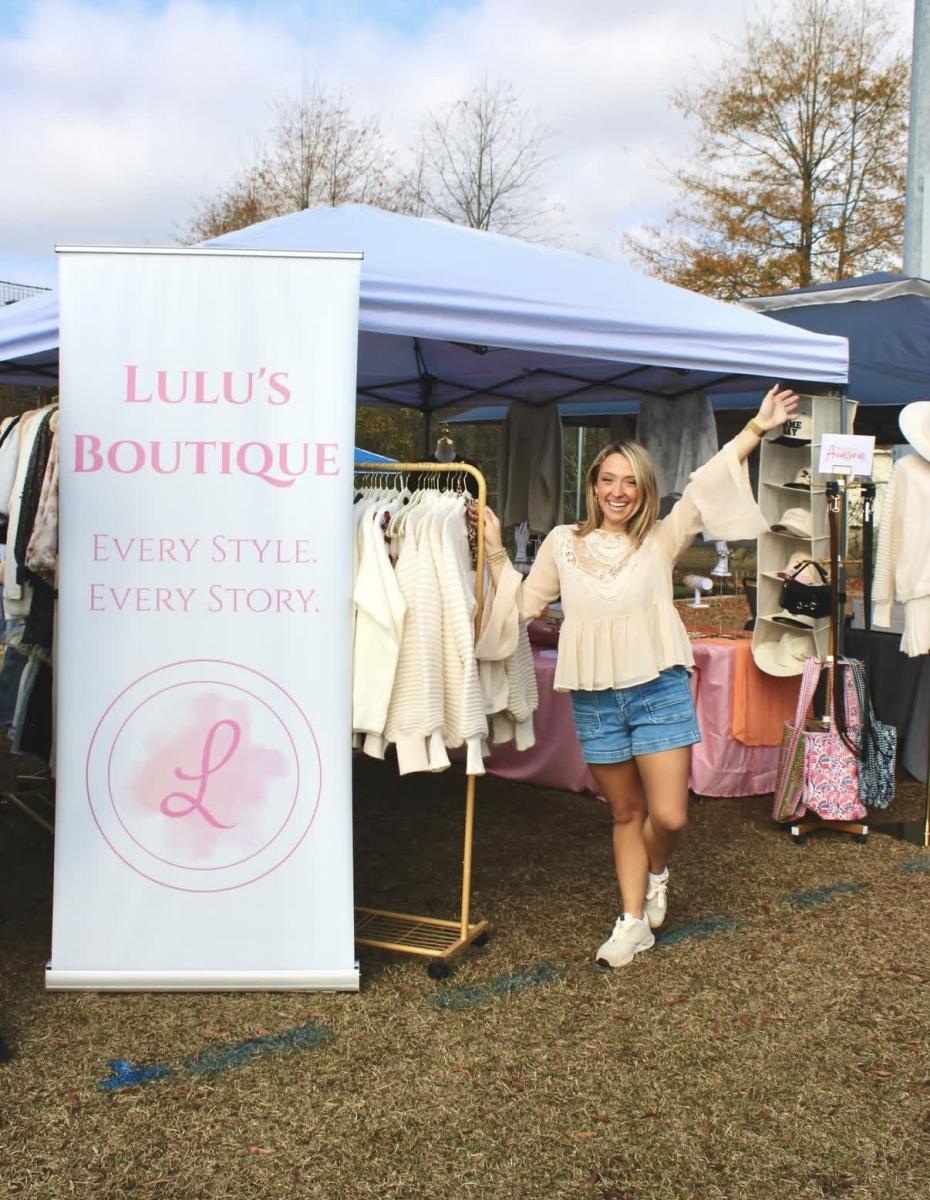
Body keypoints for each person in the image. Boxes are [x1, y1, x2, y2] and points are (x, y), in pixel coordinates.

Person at [476, 385, 800, 968]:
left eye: (629, 482)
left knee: (669, 816)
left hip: (658, 689)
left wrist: (756, 427)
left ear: (644, 489)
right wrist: (497, 552)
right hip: (595, 699)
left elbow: (705, 484)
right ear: (593, 485)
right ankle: (631, 923)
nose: (618, 491)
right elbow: (523, 606)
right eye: (608, 480)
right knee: (626, 813)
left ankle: (656, 873)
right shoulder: (562, 543)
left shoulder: (661, 539)